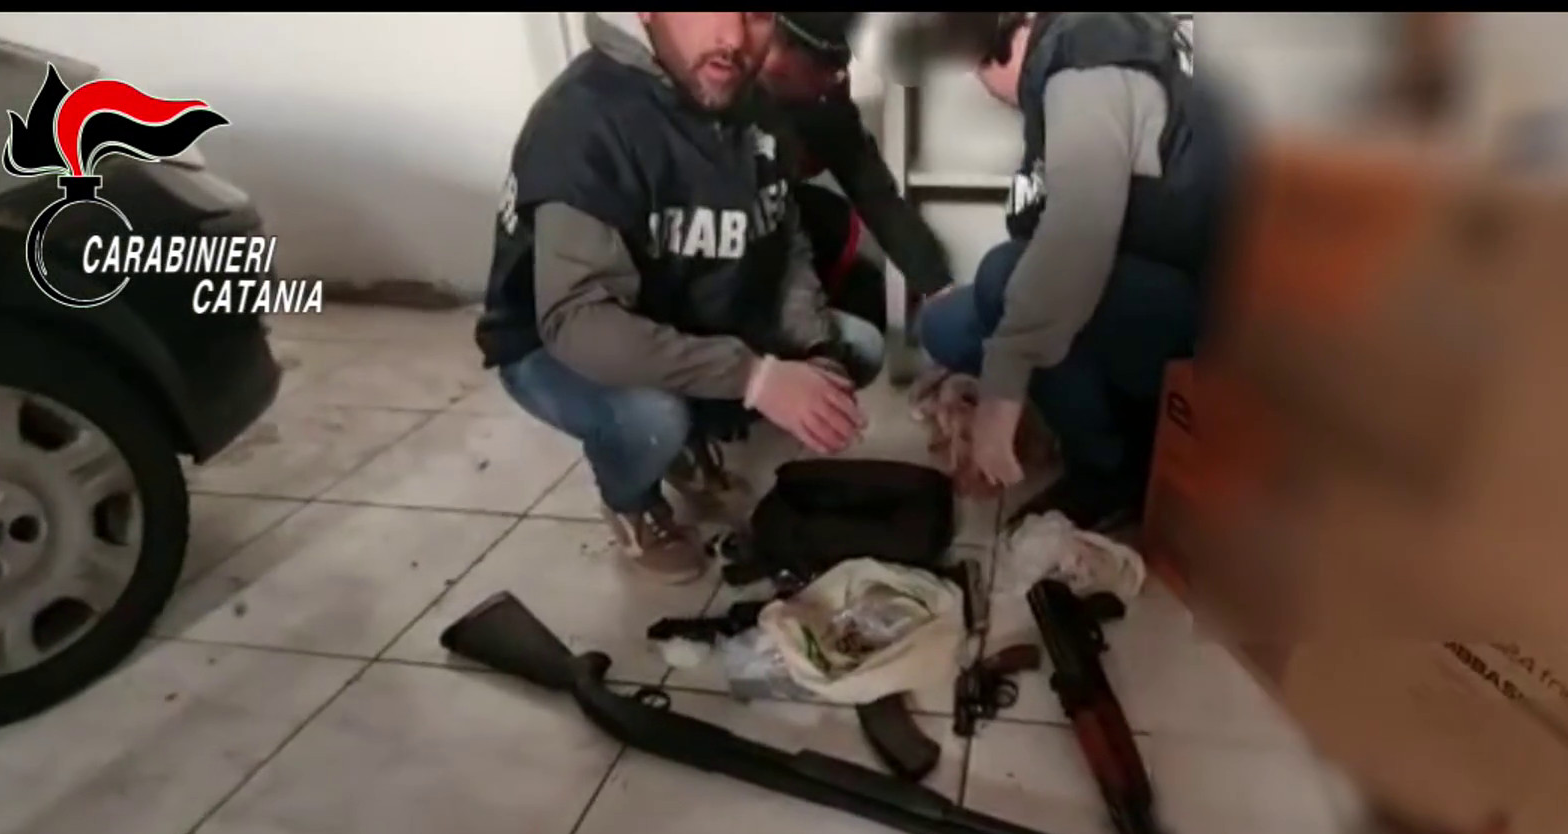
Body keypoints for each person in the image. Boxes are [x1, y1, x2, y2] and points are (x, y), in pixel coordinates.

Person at [475, 12, 888, 583]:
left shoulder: (752, 106)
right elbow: (578, 321)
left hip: (681, 314)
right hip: (555, 347)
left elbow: (785, 240)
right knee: (653, 415)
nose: (733, 38)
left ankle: (688, 445)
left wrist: (815, 349)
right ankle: (632, 502)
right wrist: (754, 377)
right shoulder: (586, 118)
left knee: (855, 346)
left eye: (758, 14)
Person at [913, 12, 1229, 533]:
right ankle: (1083, 415)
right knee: (947, 323)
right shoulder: (1061, 71)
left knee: (1003, 279)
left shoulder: (1086, 66)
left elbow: (1076, 243)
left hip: (1208, 319)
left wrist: (1002, 394)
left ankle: (1110, 468)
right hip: (1147, 282)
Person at [754, 12, 956, 334]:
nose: (839, 76)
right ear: (778, 54)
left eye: (843, 62)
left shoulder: (825, 107)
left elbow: (878, 198)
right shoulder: (712, 99)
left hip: (790, 263)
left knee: (865, 301)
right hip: (716, 280)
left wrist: (940, 289)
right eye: (826, 64)